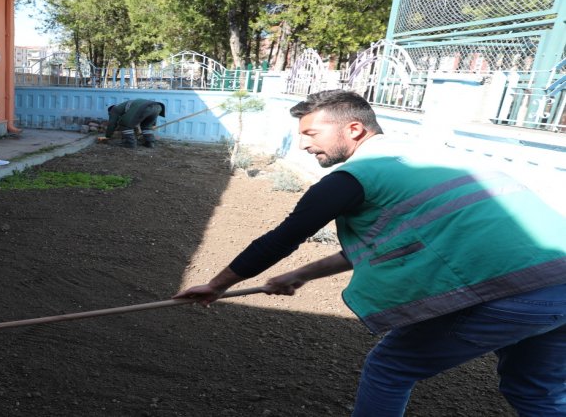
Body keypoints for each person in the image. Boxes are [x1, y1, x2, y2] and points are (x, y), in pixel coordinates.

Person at [174, 89, 566, 416]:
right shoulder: (430, 158)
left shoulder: (354, 176)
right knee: (535, 392)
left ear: (355, 129)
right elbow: (390, 241)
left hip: (514, 290)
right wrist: (301, 275)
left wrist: (216, 285)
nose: (304, 143)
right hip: (558, 282)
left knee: (391, 368)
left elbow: (281, 238)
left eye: (311, 132)